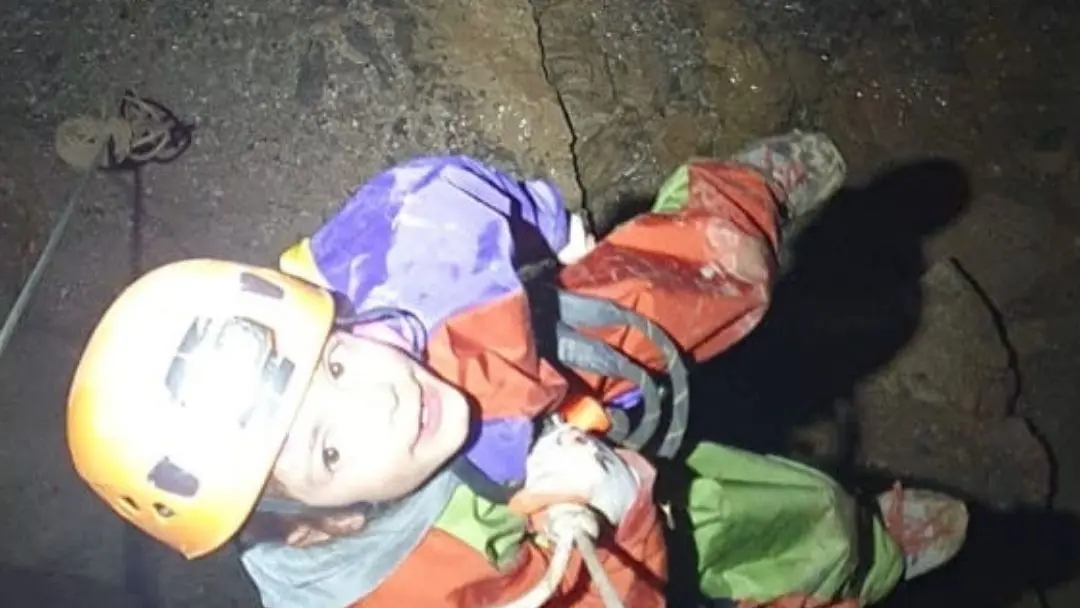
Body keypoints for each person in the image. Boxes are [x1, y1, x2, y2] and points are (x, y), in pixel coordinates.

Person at [65, 131, 968, 608]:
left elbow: (432, 195)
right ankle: (865, 552)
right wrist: (618, 517)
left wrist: (541, 222)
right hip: (570, 520)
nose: (381, 399)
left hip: (529, 378)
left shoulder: (391, 290)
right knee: (763, 525)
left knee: (653, 284)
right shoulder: (391, 596)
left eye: (332, 364)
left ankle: (743, 201)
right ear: (307, 528)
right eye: (328, 452)